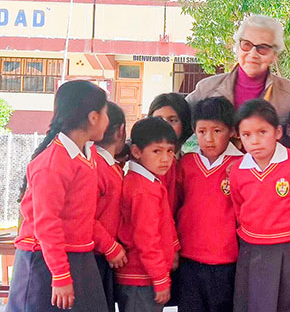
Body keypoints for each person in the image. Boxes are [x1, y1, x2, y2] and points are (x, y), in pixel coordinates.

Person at [8, 80, 109, 312]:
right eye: (105, 114)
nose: (107, 120)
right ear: (93, 117)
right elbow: (47, 222)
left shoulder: (86, 155)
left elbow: (81, 214)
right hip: (45, 260)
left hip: (77, 255)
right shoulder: (53, 163)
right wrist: (60, 274)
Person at [229, 99, 290, 312]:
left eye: (262, 132)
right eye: (246, 135)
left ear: (278, 132)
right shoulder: (238, 170)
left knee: (287, 299)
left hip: (289, 245)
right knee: (251, 299)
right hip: (252, 245)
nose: (254, 141)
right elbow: (238, 206)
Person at [176, 97, 243, 312]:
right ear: (194, 131)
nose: (209, 139)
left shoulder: (242, 165)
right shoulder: (186, 163)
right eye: (202, 131)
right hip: (189, 257)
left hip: (227, 261)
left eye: (217, 131)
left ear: (232, 131)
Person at [186, 14, 290, 124]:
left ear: (274, 55)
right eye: (246, 45)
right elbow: (177, 123)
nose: (253, 54)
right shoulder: (206, 89)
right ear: (237, 48)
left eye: (262, 48)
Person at [115, 117, 181, 312]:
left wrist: (173, 247)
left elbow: (164, 223)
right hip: (141, 278)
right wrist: (160, 278)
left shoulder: (149, 182)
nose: (165, 158)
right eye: (157, 151)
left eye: (170, 151)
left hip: (144, 276)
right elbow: (146, 239)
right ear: (136, 152)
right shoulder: (143, 190)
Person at [93, 101, 128, 312]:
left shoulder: (109, 165)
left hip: (103, 256)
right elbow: (84, 216)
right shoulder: (97, 166)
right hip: (97, 256)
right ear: (121, 131)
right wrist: (110, 246)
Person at [148, 92, 193, 212]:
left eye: (172, 120)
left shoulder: (192, 159)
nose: (164, 126)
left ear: (184, 123)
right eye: (158, 119)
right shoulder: (143, 160)